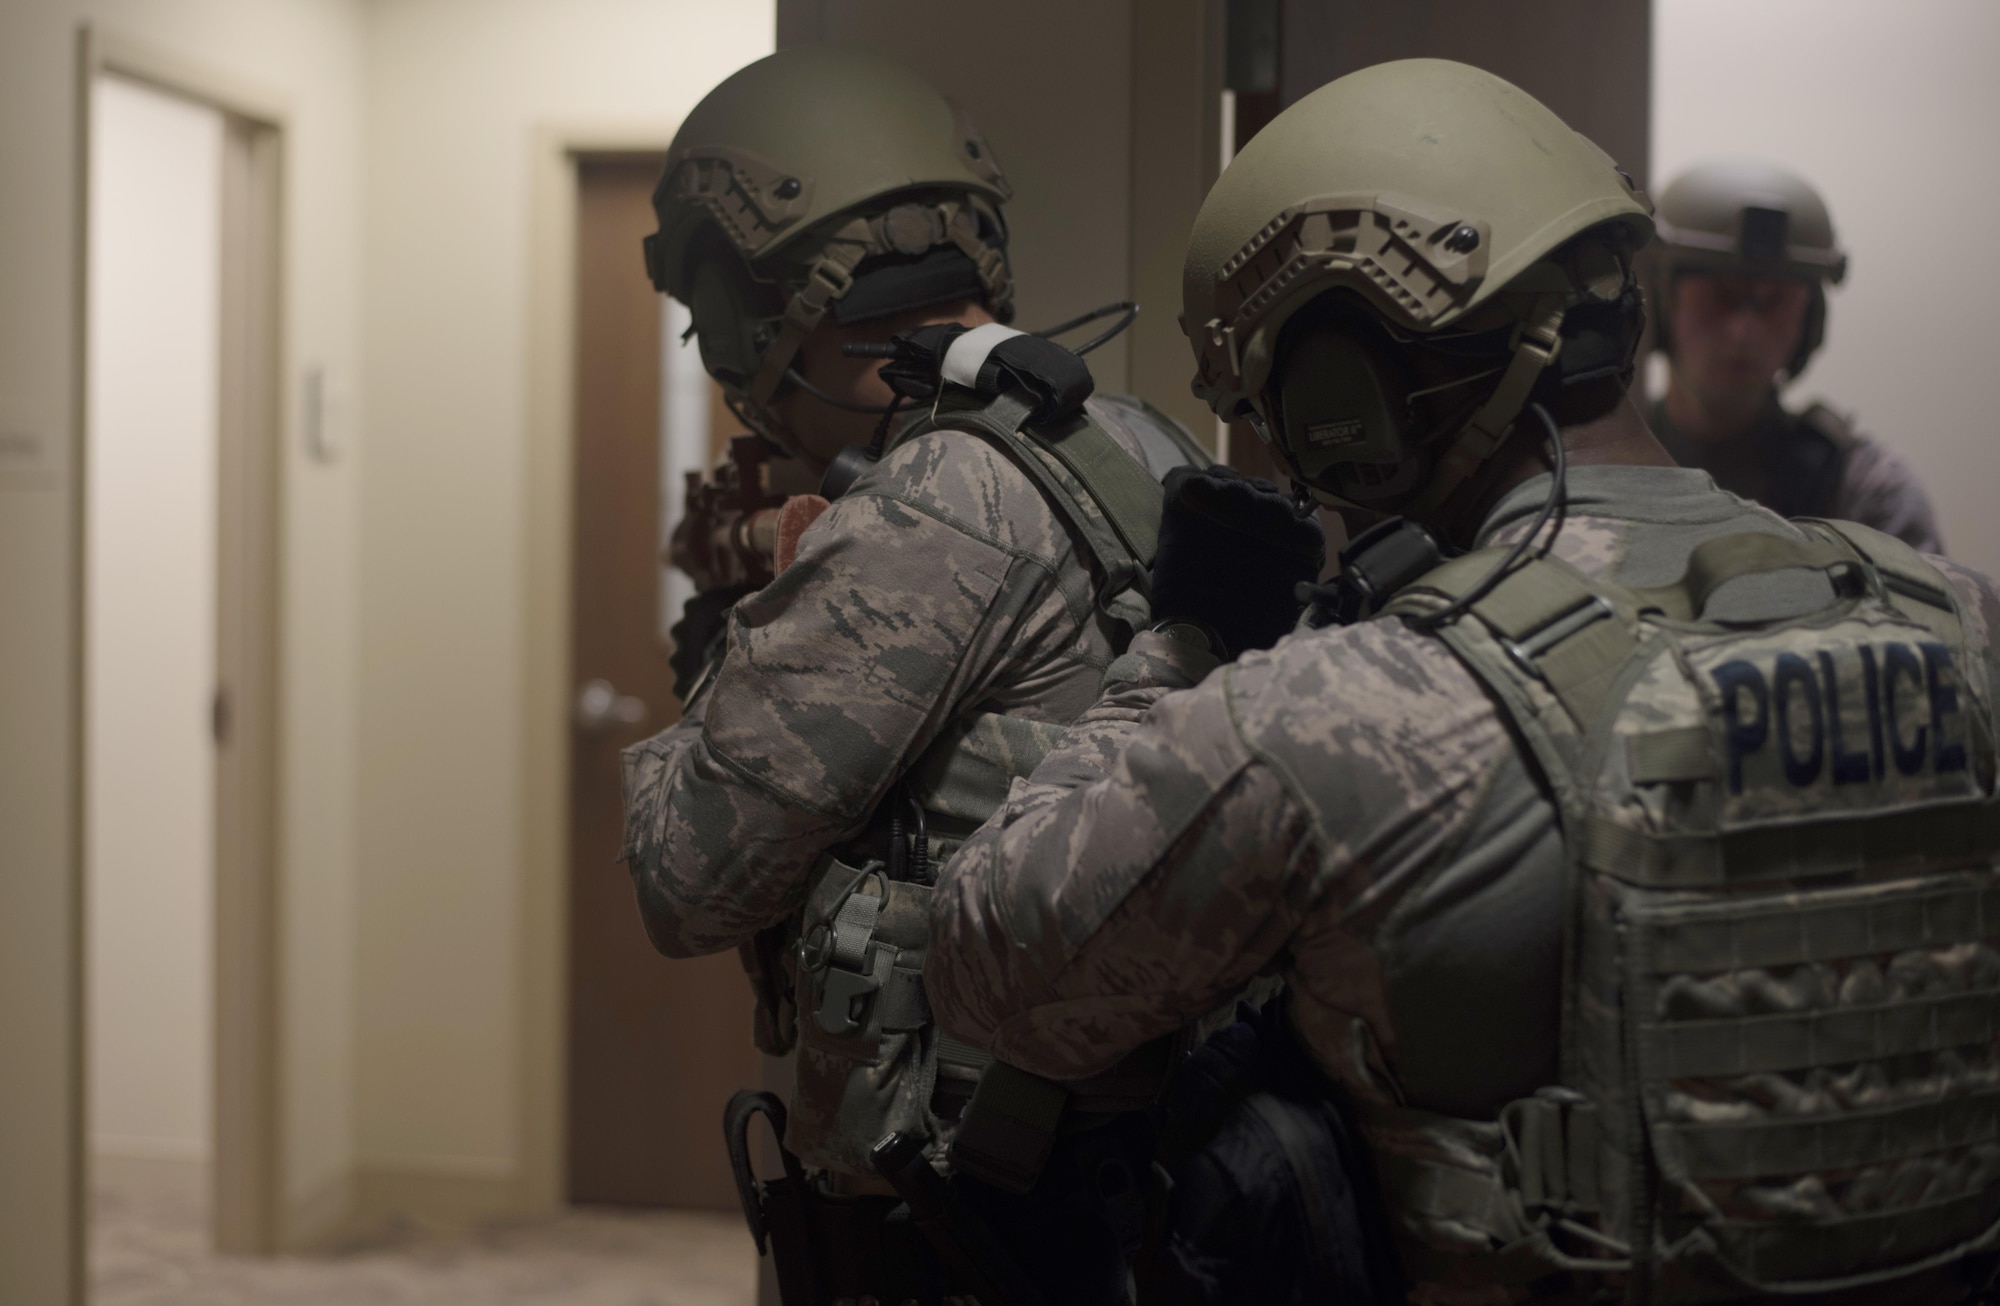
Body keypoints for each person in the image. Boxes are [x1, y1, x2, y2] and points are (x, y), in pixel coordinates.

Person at [930, 58, 2000, 1304]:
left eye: (1275, 395)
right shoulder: (1956, 619)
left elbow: (991, 970)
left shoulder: (1342, 713)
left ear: (1345, 393)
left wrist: (1184, 642)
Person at [620, 44, 1213, 1305]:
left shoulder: (934, 503)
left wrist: (735, 628)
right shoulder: (1131, 438)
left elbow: (683, 878)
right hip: (1125, 1191)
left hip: (964, 1228)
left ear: (764, 300)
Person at [1647, 157, 1943, 552]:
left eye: (1775, 302)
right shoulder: (1594, 460)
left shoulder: (1864, 491)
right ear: (1663, 302)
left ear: (1809, 320)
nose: (1743, 331)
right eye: (1721, 296)